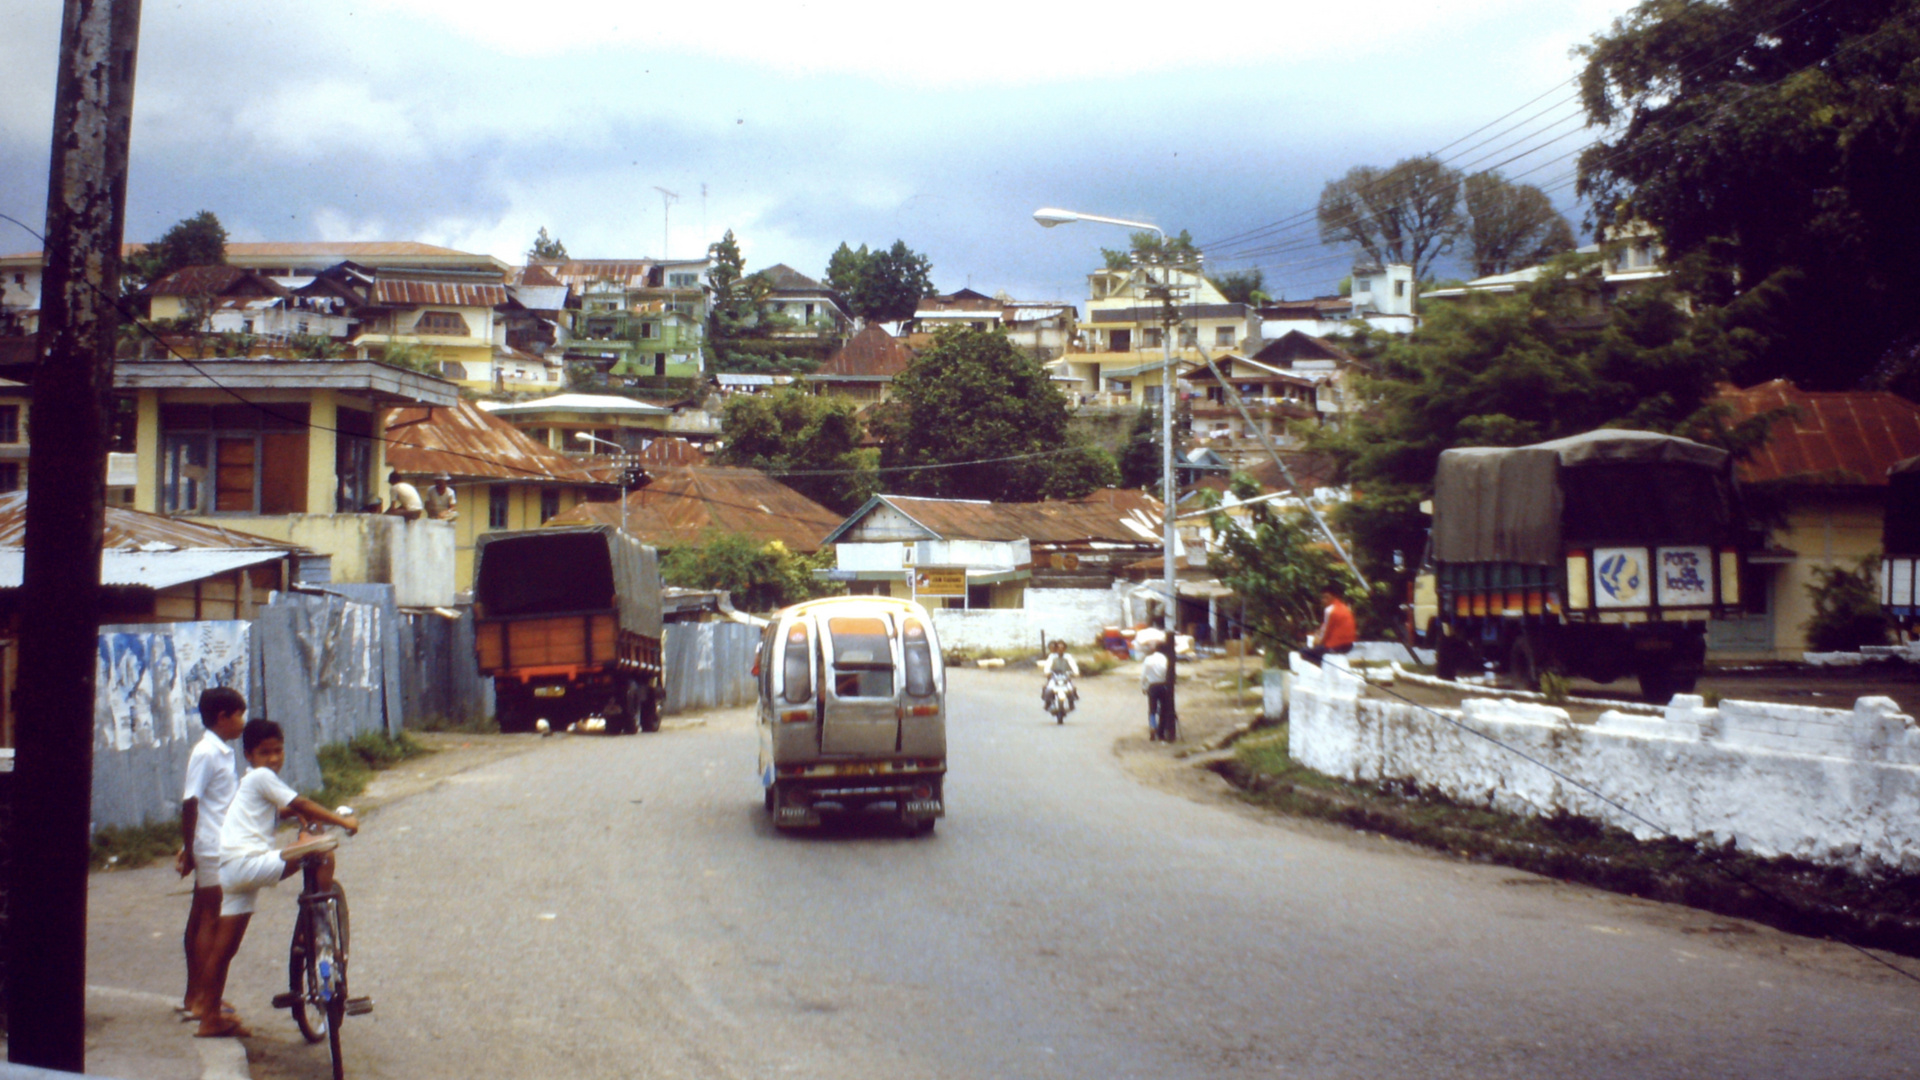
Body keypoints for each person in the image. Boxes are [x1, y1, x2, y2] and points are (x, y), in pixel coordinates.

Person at [196, 716, 360, 1038]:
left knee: (224, 949)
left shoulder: (250, 783)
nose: (273, 759)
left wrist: (300, 817)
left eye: (278, 751)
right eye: (264, 753)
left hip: (231, 870)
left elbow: (287, 809)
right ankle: (314, 927)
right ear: (250, 756)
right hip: (248, 864)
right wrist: (345, 822)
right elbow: (301, 802)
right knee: (321, 852)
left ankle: (209, 1017)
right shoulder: (260, 778)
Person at [176, 687, 246, 1024]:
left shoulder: (221, 751)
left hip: (213, 841)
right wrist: (189, 849)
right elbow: (191, 802)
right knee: (210, 920)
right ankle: (202, 997)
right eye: (239, 715)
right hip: (213, 846)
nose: (242, 722)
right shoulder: (206, 752)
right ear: (223, 717)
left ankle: (195, 995)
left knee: (200, 917)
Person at [1301, 579, 1357, 667]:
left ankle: (1324, 668)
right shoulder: (1344, 608)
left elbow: (1324, 636)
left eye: (1326, 597)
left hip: (1335, 647)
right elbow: (1326, 628)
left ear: (1333, 597)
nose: (1323, 600)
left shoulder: (1330, 610)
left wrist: (1315, 643)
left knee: (1304, 652)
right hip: (1348, 646)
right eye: (1322, 598)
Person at [1139, 630, 1173, 741]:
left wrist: (1143, 687)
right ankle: (1161, 733)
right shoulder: (1164, 659)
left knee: (1152, 710)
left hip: (1152, 686)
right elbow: (1168, 672)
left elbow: (1143, 676)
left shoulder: (1148, 659)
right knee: (1163, 710)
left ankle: (1153, 726)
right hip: (1163, 686)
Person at [1040, 639, 1080, 711]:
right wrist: (1047, 672)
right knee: (1049, 688)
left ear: (1065, 649)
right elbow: (1048, 665)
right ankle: (1048, 702)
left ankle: (1071, 702)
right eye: (1058, 648)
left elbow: (1073, 664)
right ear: (1056, 648)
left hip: (1065, 676)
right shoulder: (1052, 656)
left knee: (1071, 688)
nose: (1060, 650)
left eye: (1062, 648)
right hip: (1054, 676)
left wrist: (1075, 672)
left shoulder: (1068, 656)